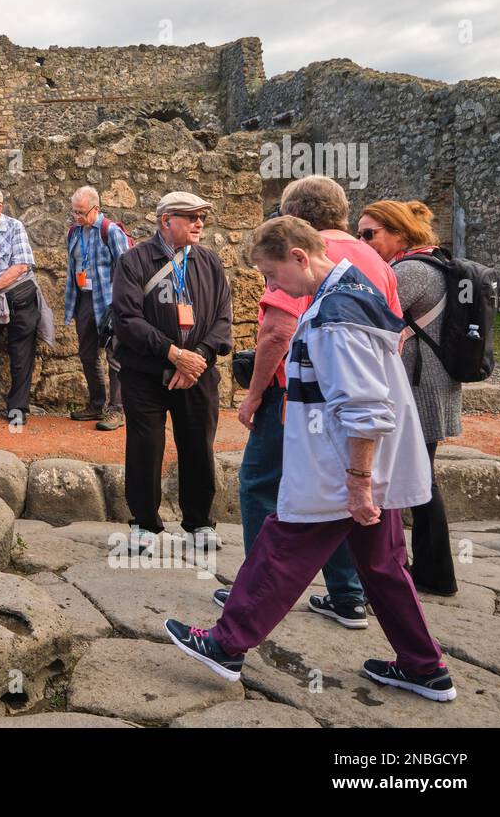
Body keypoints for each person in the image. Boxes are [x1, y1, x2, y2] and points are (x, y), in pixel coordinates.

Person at [166, 216, 456, 703]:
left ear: (300, 257)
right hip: (356, 465)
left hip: (338, 470)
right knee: (382, 565)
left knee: (284, 547)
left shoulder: (333, 315)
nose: (273, 286)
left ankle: (226, 643)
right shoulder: (353, 290)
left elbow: (364, 405)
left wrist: (358, 480)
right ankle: (424, 666)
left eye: (273, 275)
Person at [220, 175, 403, 628]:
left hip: (297, 394)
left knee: (260, 484)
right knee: (341, 492)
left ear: (295, 220)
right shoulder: (374, 260)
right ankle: (347, 594)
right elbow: (393, 333)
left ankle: (254, 586)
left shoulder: (299, 253)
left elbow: (278, 331)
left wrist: (255, 394)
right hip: (358, 399)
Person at [111, 191, 232, 548]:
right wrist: (173, 354)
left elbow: (223, 319)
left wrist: (198, 358)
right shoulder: (134, 261)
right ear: (166, 220)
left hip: (198, 371)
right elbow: (126, 318)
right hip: (145, 373)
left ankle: (199, 523)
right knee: (145, 447)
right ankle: (145, 525)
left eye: (202, 218)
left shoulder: (210, 262)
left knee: (197, 445)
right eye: (191, 216)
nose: (199, 224)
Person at [358, 200, 461, 597]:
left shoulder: (410, 270)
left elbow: (372, 315)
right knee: (422, 478)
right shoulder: (431, 263)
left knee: (420, 481)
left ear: (399, 234)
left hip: (420, 391)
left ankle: (433, 572)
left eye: (370, 234)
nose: (362, 241)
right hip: (431, 387)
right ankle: (431, 570)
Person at [65, 185, 128, 430]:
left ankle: (116, 410)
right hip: (85, 299)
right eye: (75, 213)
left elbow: (127, 269)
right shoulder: (74, 233)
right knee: (87, 354)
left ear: (96, 209)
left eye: (81, 213)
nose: (77, 217)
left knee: (115, 356)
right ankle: (96, 403)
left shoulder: (110, 231)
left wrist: (124, 305)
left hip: (110, 303)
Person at [0, 187, 40, 424]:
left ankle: (18, 409)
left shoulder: (15, 226)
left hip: (19, 296)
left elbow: (22, 265)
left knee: (21, 353)